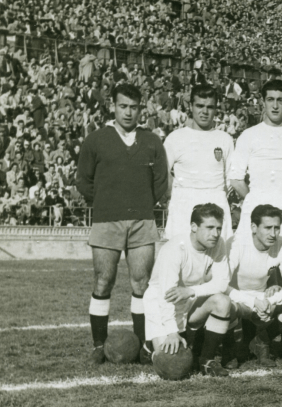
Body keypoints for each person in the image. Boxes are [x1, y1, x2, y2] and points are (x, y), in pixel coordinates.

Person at [76, 83, 169, 365]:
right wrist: (107, 202)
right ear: (112, 107)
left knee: (141, 282)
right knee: (103, 280)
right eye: (123, 106)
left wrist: (140, 204)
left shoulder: (152, 141)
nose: (129, 112)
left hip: (142, 220)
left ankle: (143, 346)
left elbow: (161, 183)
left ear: (141, 108)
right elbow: (84, 182)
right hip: (106, 219)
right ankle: (97, 345)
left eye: (134, 107)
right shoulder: (95, 140)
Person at [142, 203, 236, 377]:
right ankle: (150, 347)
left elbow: (222, 283)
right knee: (172, 367)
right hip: (160, 303)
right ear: (194, 227)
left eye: (218, 228)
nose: (215, 234)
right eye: (209, 228)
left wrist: (191, 291)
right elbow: (166, 295)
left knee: (223, 301)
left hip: (188, 300)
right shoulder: (175, 248)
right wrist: (171, 332)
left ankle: (207, 360)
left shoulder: (218, 243)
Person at [229, 80, 282, 238]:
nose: (275, 106)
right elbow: (235, 179)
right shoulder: (248, 135)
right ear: (263, 102)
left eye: (280, 100)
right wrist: (254, 199)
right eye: (270, 100)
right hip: (255, 206)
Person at [225, 204, 282, 367]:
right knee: (223, 305)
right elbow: (221, 284)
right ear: (254, 227)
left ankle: (262, 340)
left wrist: (273, 300)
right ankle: (231, 348)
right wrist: (253, 302)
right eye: (268, 228)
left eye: (277, 228)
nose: (273, 233)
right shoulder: (236, 243)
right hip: (236, 297)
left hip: (262, 298)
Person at [163, 84, 234, 242]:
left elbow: (230, 178)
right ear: (190, 106)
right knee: (182, 256)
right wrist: (173, 195)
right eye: (200, 106)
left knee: (218, 260)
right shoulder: (175, 137)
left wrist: (216, 194)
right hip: (183, 202)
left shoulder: (225, 139)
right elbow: (163, 171)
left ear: (216, 109)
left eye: (210, 107)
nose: (204, 111)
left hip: (216, 200)